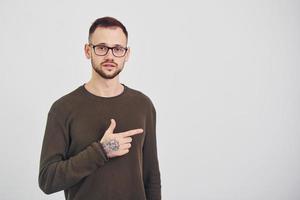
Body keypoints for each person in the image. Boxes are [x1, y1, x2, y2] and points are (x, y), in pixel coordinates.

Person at [38, 16, 161, 200]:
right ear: (88, 51)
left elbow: (151, 178)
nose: (110, 56)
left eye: (118, 49)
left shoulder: (143, 105)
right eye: (102, 48)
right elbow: (47, 180)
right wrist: (101, 151)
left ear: (127, 54)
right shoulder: (63, 109)